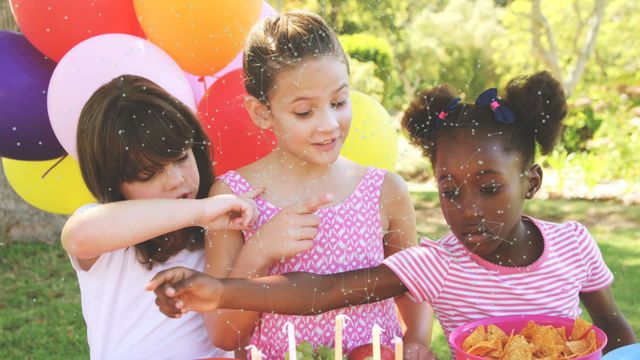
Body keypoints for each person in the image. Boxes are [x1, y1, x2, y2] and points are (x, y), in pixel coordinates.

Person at [148, 71, 636, 355]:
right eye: (449, 189)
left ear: (531, 183)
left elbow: (614, 331)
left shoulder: (574, 244)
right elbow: (322, 291)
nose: (467, 210)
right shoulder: (437, 264)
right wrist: (222, 290)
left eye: (488, 188)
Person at [194, 10, 434, 360]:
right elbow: (223, 333)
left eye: (338, 102)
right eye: (304, 112)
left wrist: (418, 341)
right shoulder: (232, 197)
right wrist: (259, 251)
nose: (328, 125)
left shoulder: (386, 191)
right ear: (262, 112)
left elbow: (412, 287)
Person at [61, 75, 260, 359]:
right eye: (148, 175)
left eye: (181, 158)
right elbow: (78, 237)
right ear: (114, 184)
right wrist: (200, 212)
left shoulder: (219, 228)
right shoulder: (108, 237)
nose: (175, 180)